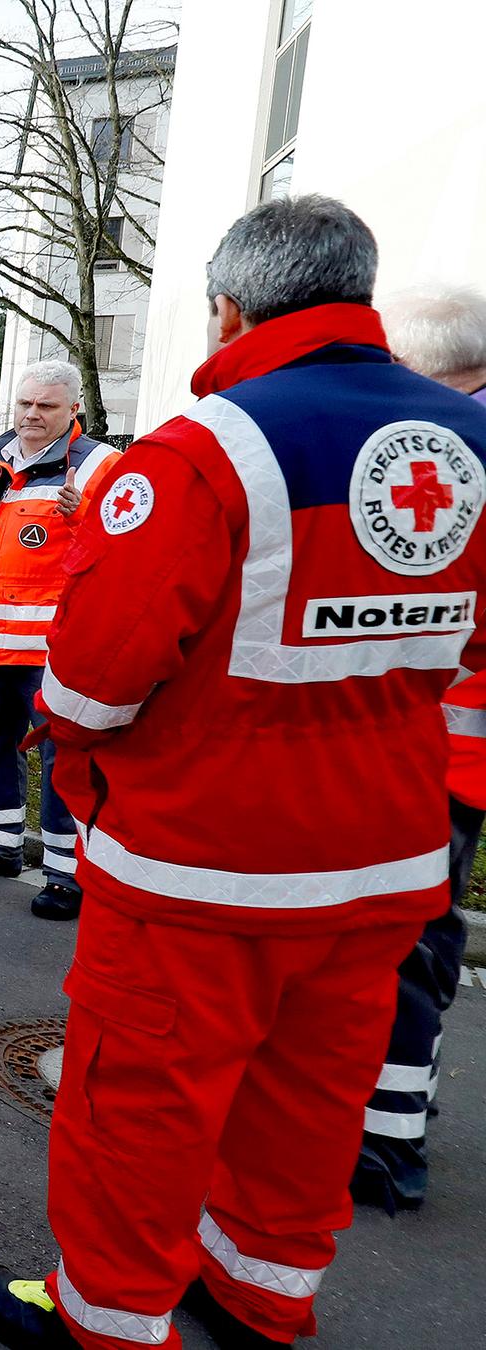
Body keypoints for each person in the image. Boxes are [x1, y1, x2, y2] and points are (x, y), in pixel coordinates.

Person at [0, 198, 486, 1350]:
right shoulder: (466, 447)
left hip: (199, 868)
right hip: (383, 859)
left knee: (140, 1107)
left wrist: (74, 749)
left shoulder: (204, 453)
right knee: (307, 1104)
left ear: (232, 307)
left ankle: (106, 1320)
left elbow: (93, 684)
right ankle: (261, 1299)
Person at [351, 281, 486, 1211]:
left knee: (404, 937)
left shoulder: (453, 448)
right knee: (425, 931)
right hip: (451, 751)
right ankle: (399, 1106)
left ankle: (386, 1144)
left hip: (442, 748)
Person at [0, 360, 123, 921]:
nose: (32, 415)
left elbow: (127, 549)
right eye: (25, 403)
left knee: (62, 762)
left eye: (47, 406)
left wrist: (85, 518)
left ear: (74, 410)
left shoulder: (100, 466)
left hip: (54, 648)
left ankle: (67, 874)